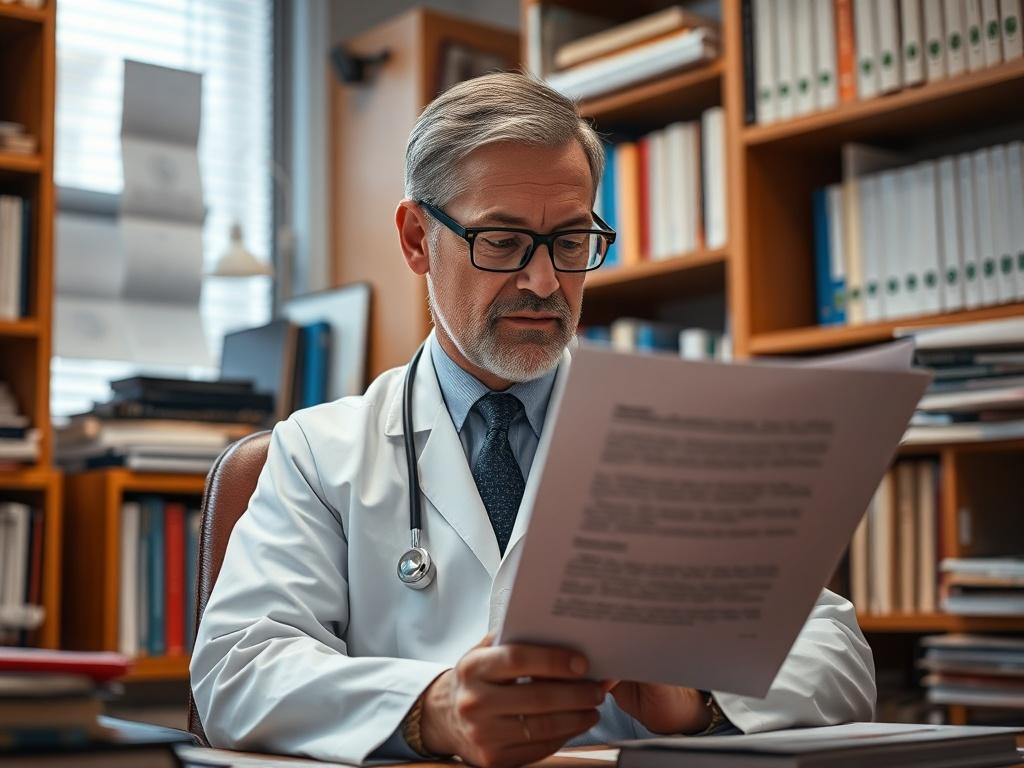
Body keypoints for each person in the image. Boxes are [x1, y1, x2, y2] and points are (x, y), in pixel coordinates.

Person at [190, 72, 876, 768]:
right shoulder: (319, 451)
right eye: (502, 240)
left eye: (571, 242)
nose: (545, 282)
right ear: (417, 239)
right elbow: (236, 669)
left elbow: (837, 652)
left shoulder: (678, 435)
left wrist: (701, 700)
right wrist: (432, 709)